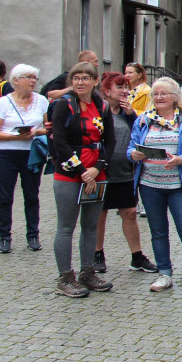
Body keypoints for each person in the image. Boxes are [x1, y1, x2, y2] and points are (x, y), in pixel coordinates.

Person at [129, 78, 182, 297]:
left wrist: (181, 159)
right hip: (150, 185)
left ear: (175, 97)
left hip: (178, 186)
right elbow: (131, 147)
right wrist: (133, 154)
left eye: (164, 94)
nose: (159, 98)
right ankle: (164, 273)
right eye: (156, 94)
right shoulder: (144, 120)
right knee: (158, 232)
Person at [50, 61, 115, 297]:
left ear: (95, 81)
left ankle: (87, 272)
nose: (80, 82)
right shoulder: (63, 105)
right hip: (69, 174)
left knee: (90, 226)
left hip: (97, 174)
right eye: (76, 78)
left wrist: (97, 169)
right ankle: (65, 277)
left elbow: (110, 141)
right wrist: (81, 171)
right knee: (66, 226)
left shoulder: (102, 106)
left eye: (86, 78)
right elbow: (60, 141)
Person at [93, 72, 157, 274]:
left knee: (129, 213)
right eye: (119, 87)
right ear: (106, 91)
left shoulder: (129, 114)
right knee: (99, 214)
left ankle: (137, 256)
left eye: (126, 87)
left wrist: (131, 115)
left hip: (124, 171)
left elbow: (142, 135)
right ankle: (97, 254)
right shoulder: (98, 111)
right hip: (101, 171)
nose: (124, 91)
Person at [0, 64, 47, 253]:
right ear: (16, 80)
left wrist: (36, 132)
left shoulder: (41, 101)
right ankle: (4, 237)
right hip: (5, 154)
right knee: (5, 197)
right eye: (28, 77)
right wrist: (16, 137)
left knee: (32, 194)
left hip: (31, 153)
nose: (33, 81)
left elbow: (49, 127)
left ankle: (33, 235)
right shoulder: (3, 102)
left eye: (34, 78)